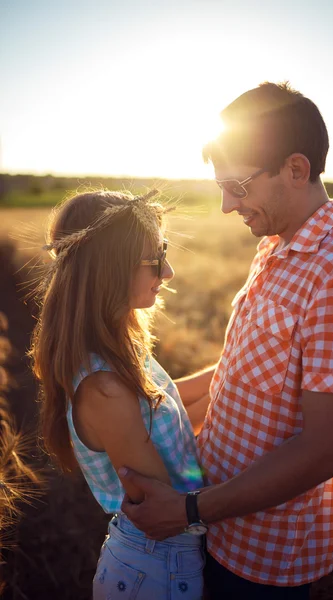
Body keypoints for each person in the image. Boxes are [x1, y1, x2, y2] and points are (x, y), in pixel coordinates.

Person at [118, 82, 333, 600]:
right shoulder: (274, 245)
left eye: (237, 186)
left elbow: (323, 452)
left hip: (264, 558)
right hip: (211, 517)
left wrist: (187, 511)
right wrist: (142, 400)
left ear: (295, 169)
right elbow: (236, 370)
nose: (227, 205)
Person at [29, 189, 214, 599]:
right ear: (108, 271)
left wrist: (234, 373)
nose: (167, 272)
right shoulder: (103, 389)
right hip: (156, 573)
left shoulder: (116, 352)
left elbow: (165, 408)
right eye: (153, 259)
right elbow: (168, 501)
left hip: (161, 564)